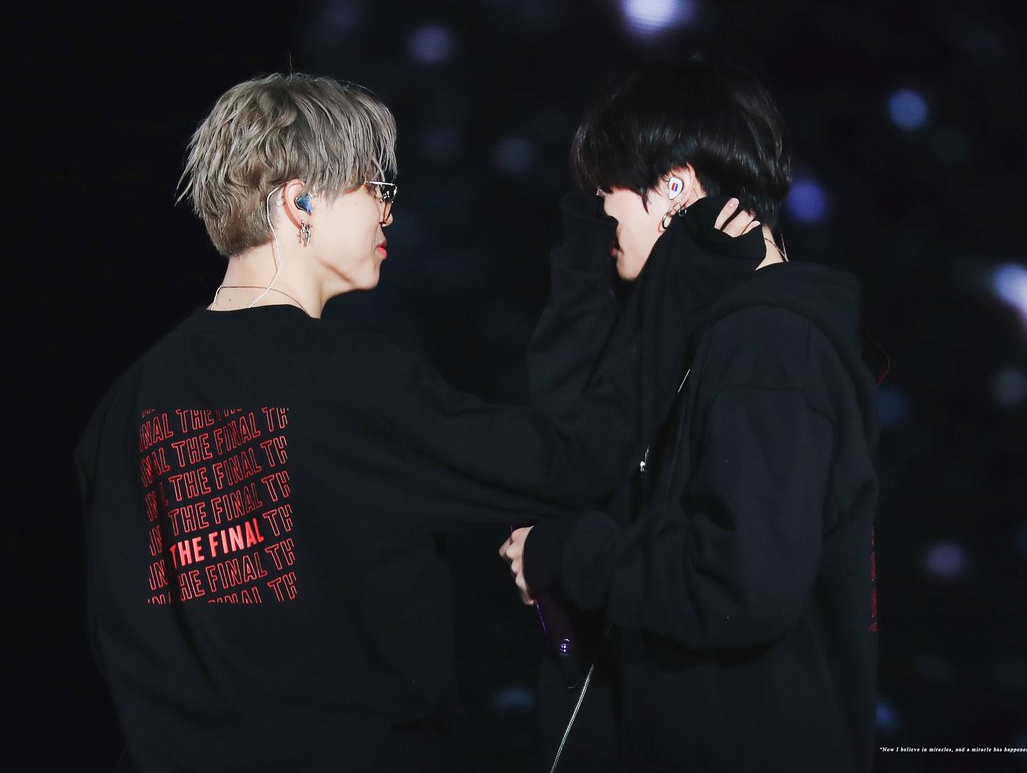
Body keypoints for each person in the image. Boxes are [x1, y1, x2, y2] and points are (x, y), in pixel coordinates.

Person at [75, 72, 662, 772]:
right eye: (373, 188)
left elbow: (116, 635)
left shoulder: (123, 408)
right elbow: (570, 466)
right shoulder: (355, 381)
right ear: (298, 200)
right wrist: (651, 282)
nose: (388, 214)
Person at [500, 58, 881, 772]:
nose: (597, 211)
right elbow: (567, 457)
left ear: (674, 184)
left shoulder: (768, 347)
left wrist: (569, 555)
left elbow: (737, 585)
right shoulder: (711, 338)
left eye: (604, 189)